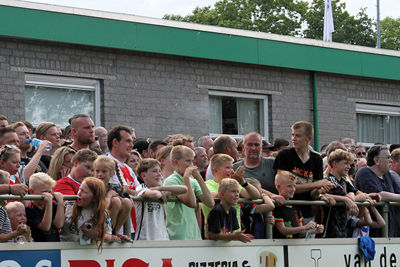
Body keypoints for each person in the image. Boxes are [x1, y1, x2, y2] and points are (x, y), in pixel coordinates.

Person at [273, 121, 331, 222]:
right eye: (292, 135)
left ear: (308, 138)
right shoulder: (284, 155)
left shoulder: (316, 159)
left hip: (307, 212)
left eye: (298, 136)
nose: (293, 139)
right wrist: (316, 184)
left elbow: (313, 194)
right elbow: (284, 188)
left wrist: (320, 191)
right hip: (287, 211)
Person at [164, 145, 214, 240]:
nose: (191, 165)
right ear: (176, 162)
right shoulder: (171, 181)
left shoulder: (192, 181)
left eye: (192, 161)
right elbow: (191, 202)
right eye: (187, 161)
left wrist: (199, 177)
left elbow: (210, 203)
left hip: (193, 234)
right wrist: (186, 178)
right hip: (178, 235)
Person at [321, 149, 375, 238]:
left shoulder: (345, 182)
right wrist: (346, 199)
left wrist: (354, 197)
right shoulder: (327, 181)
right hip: (328, 232)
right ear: (334, 164)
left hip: (343, 230)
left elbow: (361, 194)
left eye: (349, 164)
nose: (349, 167)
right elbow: (323, 195)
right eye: (346, 163)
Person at [202, 154, 260, 233]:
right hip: (216, 236)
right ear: (215, 170)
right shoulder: (207, 185)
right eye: (227, 168)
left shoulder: (234, 184)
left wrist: (243, 182)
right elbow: (213, 196)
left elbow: (255, 195)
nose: (232, 171)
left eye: (232, 168)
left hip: (235, 234)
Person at [61, 178, 123, 249]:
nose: (79, 193)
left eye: (84, 192)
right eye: (79, 189)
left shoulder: (103, 213)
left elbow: (108, 235)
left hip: (89, 252)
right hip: (65, 250)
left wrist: (96, 234)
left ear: (95, 198)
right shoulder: (68, 206)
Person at [135, 159, 187, 240]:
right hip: (145, 239)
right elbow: (155, 195)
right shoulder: (141, 188)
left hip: (163, 238)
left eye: (160, 171)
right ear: (144, 175)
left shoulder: (161, 189)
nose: (159, 174)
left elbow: (184, 189)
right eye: (155, 171)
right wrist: (160, 191)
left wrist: (161, 188)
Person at [354, 145, 400, 237]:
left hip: (391, 229)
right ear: (376, 160)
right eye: (388, 157)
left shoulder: (387, 174)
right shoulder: (364, 172)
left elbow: (396, 192)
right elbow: (378, 195)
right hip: (372, 232)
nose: (391, 160)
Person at [273, 171, 324, 239]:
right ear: (278, 187)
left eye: (294, 186)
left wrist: (314, 231)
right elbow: (283, 230)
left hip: (294, 246)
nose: (293, 189)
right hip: (280, 246)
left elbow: (300, 233)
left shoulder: (295, 206)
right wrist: (304, 227)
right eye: (289, 186)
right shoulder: (277, 206)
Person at [93, 155, 132, 239]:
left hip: (107, 218)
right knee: (116, 201)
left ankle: (115, 231)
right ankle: (107, 232)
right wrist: (110, 195)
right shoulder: (93, 186)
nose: (100, 174)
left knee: (126, 202)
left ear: (112, 173)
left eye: (104, 171)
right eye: (97, 171)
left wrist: (120, 197)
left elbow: (131, 204)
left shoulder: (115, 186)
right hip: (95, 218)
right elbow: (103, 207)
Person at [206, 178, 253, 243]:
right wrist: (233, 237)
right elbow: (212, 236)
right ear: (222, 195)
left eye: (237, 191)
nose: (237, 194)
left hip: (225, 247)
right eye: (233, 191)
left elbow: (230, 233)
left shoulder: (233, 210)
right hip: (212, 249)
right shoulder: (217, 210)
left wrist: (240, 237)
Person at [25, 173, 65, 241]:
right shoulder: (29, 209)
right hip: (39, 246)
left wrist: (60, 203)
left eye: (50, 192)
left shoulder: (53, 205)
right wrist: (49, 204)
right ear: (32, 191)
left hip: (55, 244)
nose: (49, 195)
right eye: (45, 192)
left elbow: (59, 225)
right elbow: (45, 227)